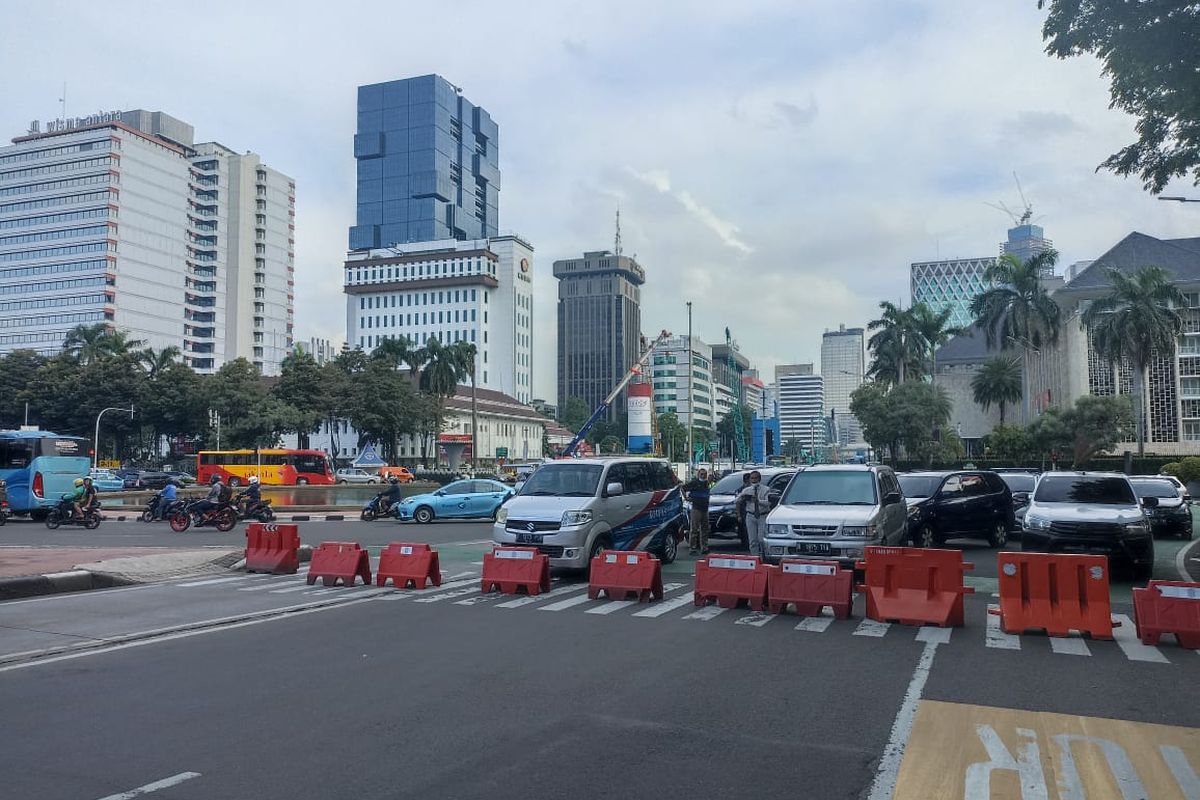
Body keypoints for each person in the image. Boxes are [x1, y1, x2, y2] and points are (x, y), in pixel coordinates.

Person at [737, 470, 773, 558]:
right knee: (752, 540)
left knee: (761, 539)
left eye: (756, 478)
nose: (754, 480)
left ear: (759, 479)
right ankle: (755, 558)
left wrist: (758, 501)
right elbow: (737, 500)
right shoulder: (746, 490)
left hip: (762, 515)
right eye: (752, 478)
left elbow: (769, 503)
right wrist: (742, 499)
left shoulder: (766, 489)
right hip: (750, 515)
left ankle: (763, 556)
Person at [682, 468, 712, 556]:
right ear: (698, 474)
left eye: (705, 474)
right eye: (702, 474)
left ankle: (704, 547)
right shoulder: (694, 483)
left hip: (705, 509)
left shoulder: (707, 483)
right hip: (696, 508)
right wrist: (686, 498)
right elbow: (683, 488)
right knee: (694, 529)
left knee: (705, 529)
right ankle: (692, 548)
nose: (703, 475)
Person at [735, 471, 752, 545]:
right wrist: (738, 515)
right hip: (744, 511)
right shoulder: (740, 490)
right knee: (744, 529)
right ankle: (746, 543)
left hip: (751, 511)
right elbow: (738, 503)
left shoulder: (754, 489)